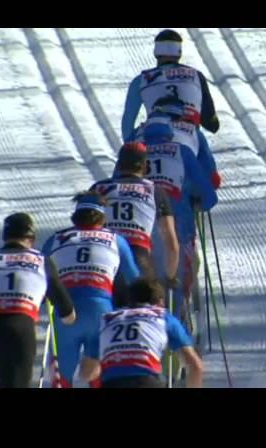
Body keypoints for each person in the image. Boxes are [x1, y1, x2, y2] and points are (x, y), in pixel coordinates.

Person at [0, 213, 75, 388]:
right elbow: (67, 311)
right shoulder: (40, 261)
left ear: (5, 236)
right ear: (31, 238)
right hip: (21, 333)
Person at [42, 192, 141, 388]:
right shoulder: (116, 240)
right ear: (102, 216)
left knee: (63, 377)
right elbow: (134, 280)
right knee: (100, 372)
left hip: (66, 312)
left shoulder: (55, 240)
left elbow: (39, 274)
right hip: (101, 310)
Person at [137, 121, 219, 319]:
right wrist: (197, 202)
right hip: (179, 229)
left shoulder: (134, 155)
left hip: (141, 234)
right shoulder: (181, 151)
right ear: (169, 136)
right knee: (181, 278)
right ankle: (180, 321)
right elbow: (210, 197)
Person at [88, 277, 203, 388]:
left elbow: (87, 371)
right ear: (160, 302)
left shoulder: (107, 320)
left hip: (112, 383)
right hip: (147, 381)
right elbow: (195, 366)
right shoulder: (163, 316)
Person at [90, 143, 179, 284]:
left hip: (104, 259)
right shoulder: (155, 191)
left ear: (118, 165)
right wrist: (170, 277)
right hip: (139, 260)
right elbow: (171, 242)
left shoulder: (99, 188)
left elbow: (83, 228)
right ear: (145, 166)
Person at [121, 29, 220, 142]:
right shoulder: (196, 76)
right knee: (202, 151)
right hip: (189, 137)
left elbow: (128, 121)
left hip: (155, 136)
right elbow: (212, 124)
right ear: (179, 52)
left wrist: (129, 147)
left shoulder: (141, 80)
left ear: (156, 53)